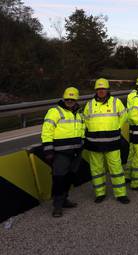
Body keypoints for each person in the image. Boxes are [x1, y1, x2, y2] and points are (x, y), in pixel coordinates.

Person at [83, 78, 129, 204]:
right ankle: (100, 193)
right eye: (99, 89)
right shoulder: (90, 105)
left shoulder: (116, 102)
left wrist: (115, 128)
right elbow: (85, 122)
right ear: (96, 90)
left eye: (103, 89)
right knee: (97, 170)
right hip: (94, 143)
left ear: (108, 89)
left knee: (116, 169)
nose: (101, 91)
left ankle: (121, 194)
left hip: (112, 142)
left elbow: (124, 116)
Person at [41, 87, 84, 217]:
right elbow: (47, 130)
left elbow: (82, 129)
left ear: (76, 99)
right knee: (59, 179)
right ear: (64, 98)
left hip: (76, 152)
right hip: (61, 153)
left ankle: (64, 200)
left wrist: (82, 143)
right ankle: (57, 206)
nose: (69, 101)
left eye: (72, 99)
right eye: (67, 98)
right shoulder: (55, 112)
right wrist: (48, 148)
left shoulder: (79, 113)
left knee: (69, 178)